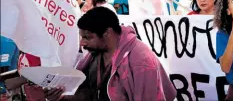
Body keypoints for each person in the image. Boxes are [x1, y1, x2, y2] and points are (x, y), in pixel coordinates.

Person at [43, 7, 176, 101]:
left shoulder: (140, 60)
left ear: (107, 33)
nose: (82, 43)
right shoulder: (96, 53)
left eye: (87, 37)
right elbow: (91, 93)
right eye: (81, 37)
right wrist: (60, 97)